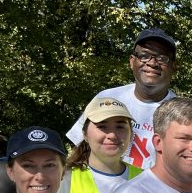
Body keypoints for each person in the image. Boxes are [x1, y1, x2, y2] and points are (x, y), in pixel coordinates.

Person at [67, 28, 177, 170]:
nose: (152, 63)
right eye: (144, 55)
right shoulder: (107, 98)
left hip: (151, 191)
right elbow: (79, 151)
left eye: (162, 58)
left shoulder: (181, 114)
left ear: (174, 67)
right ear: (132, 61)